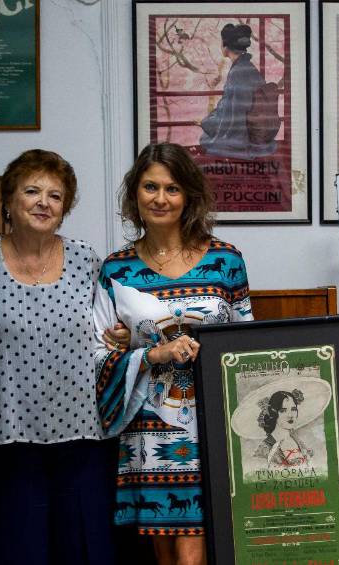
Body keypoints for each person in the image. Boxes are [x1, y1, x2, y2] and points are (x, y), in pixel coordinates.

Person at [0, 149, 130, 565]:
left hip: (83, 437)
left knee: (84, 551)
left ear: (65, 207)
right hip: (7, 436)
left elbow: (106, 331)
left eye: (56, 195)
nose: (43, 202)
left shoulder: (86, 260)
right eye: (32, 191)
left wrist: (121, 336)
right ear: (8, 201)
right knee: (15, 551)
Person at [93, 142, 254, 565]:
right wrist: (147, 353)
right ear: (135, 195)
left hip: (214, 423)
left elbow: (249, 344)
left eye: (172, 188)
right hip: (151, 426)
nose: (160, 198)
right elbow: (96, 355)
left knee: (195, 552)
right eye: (150, 187)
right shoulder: (114, 270)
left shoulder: (226, 260)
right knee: (167, 554)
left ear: (190, 197)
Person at [199, 23, 276, 160]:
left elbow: (231, 116)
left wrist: (205, 122)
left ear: (226, 46)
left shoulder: (236, 73)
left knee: (205, 139)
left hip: (243, 136)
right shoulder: (248, 67)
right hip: (255, 128)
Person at [254, 389, 312, 467]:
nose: (290, 415)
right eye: (283, 410)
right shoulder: (265, 448)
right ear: (273, 414)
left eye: (293, 409)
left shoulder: (296, 439)